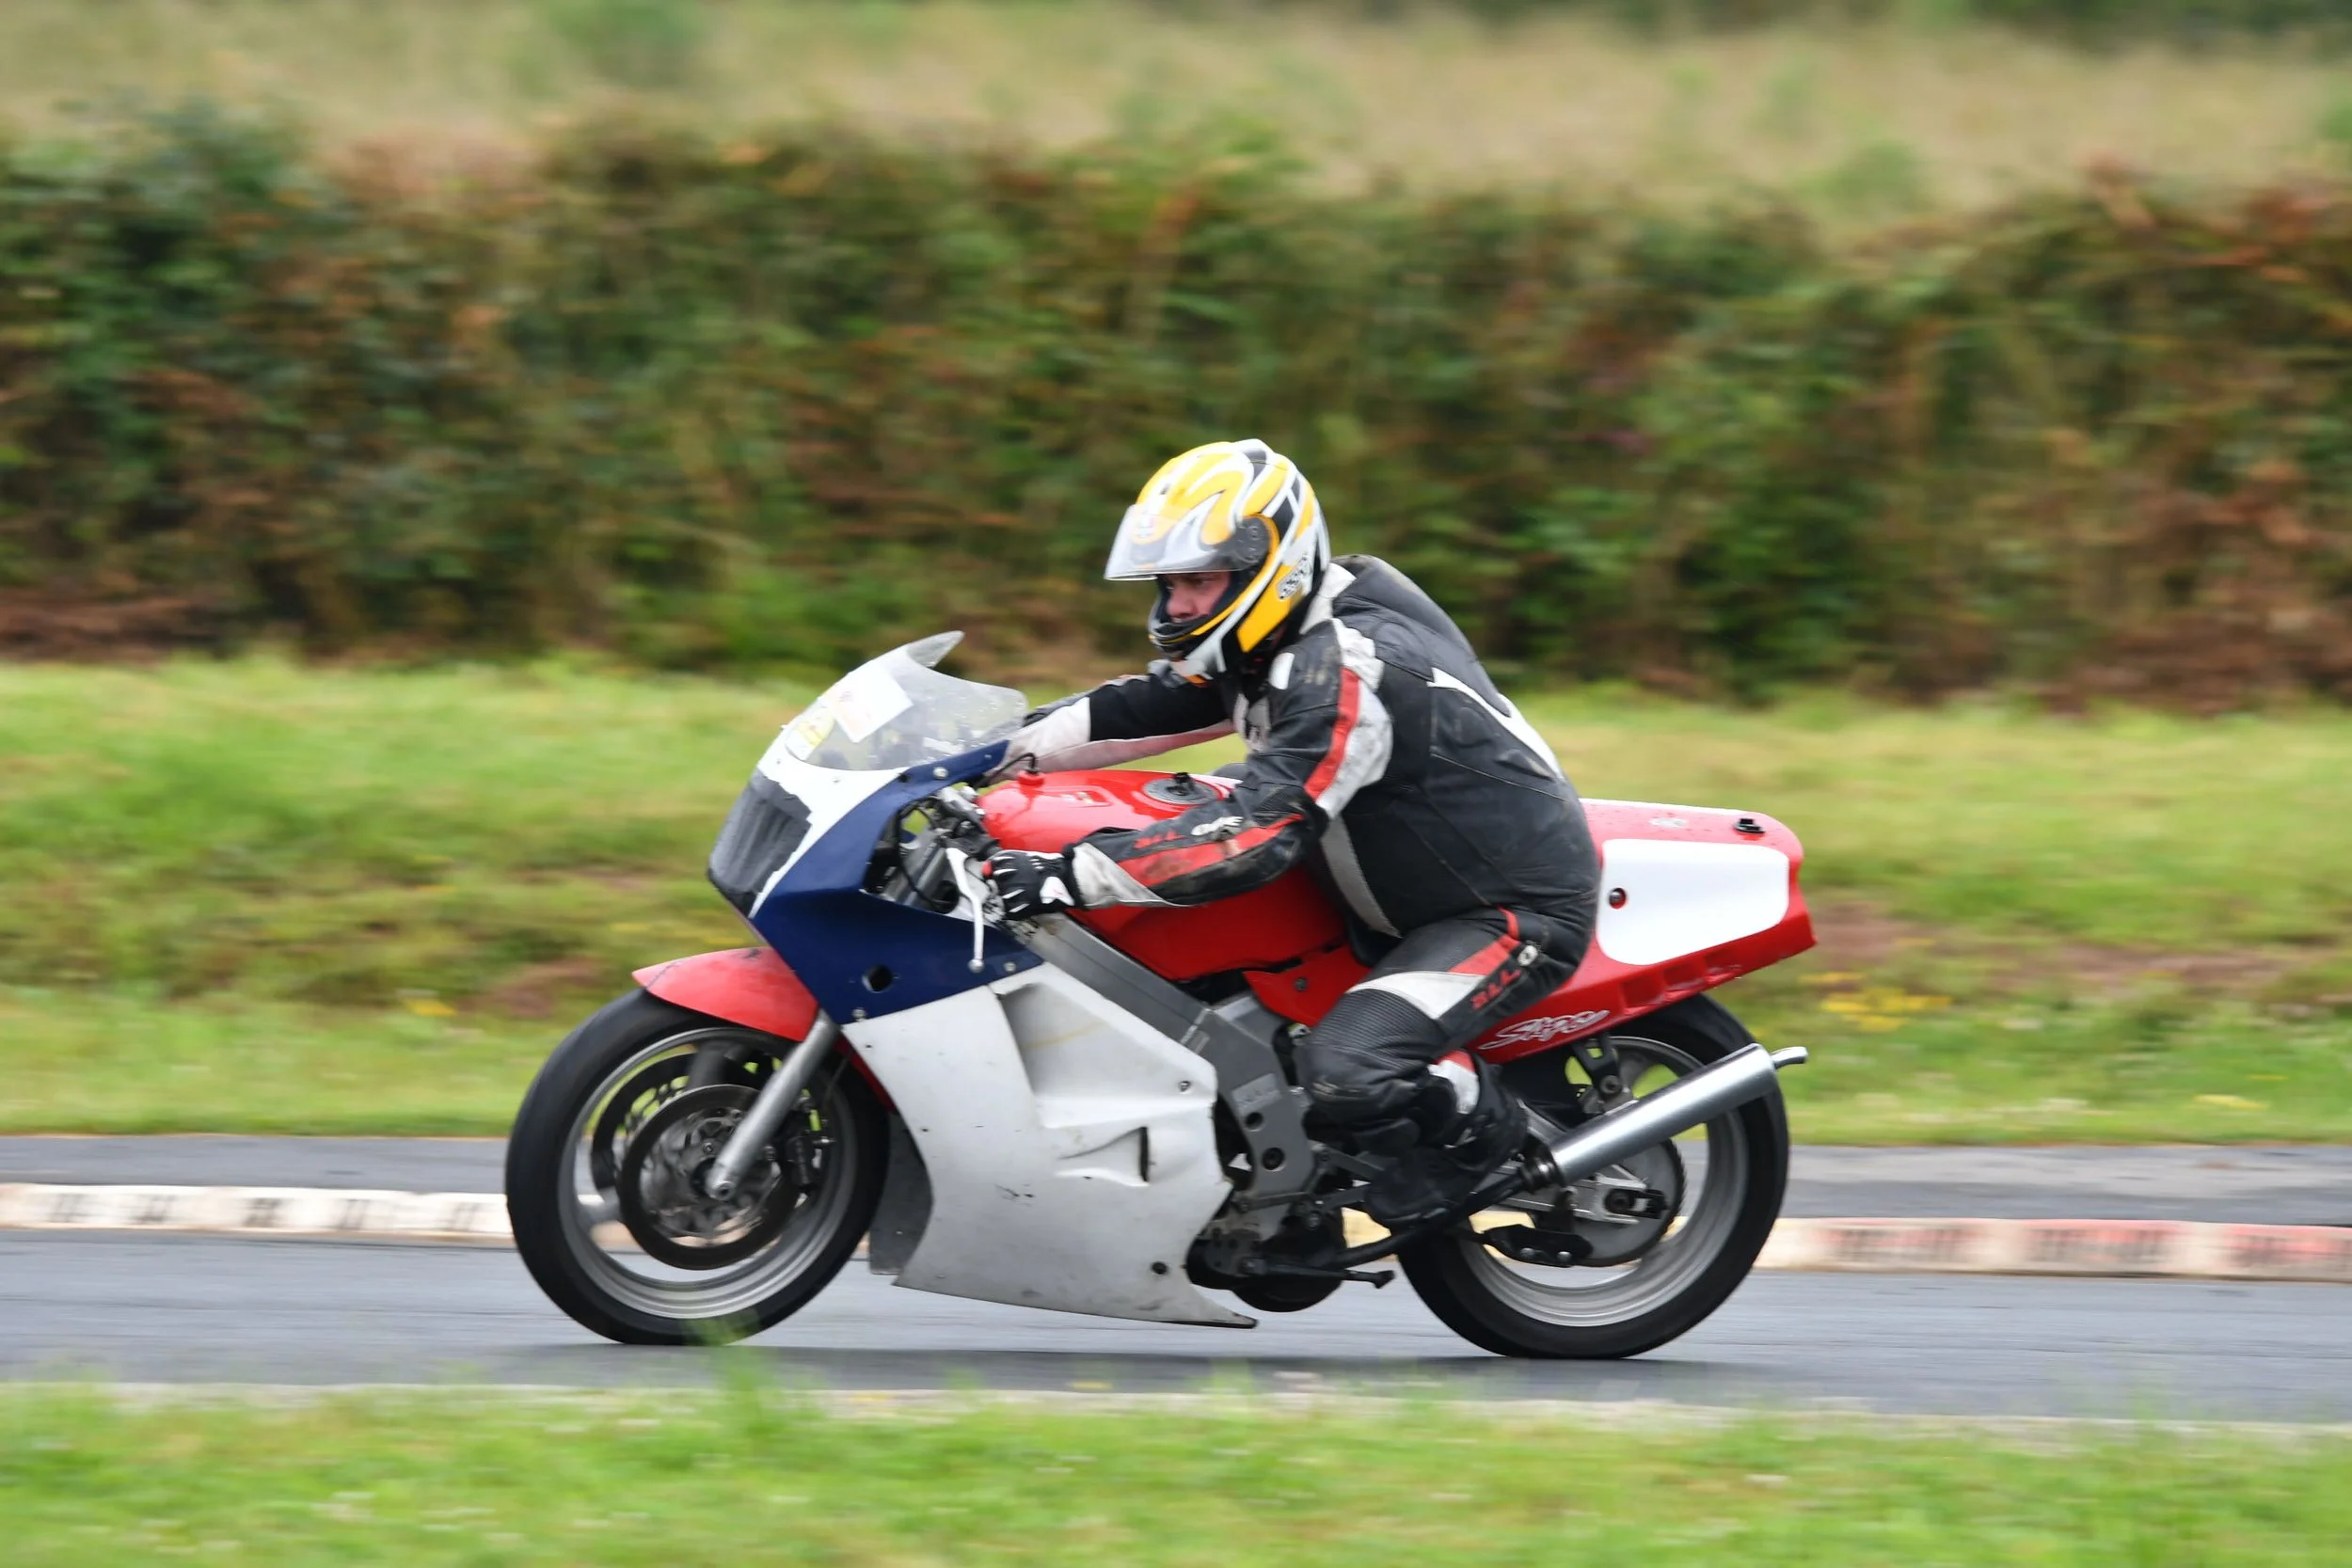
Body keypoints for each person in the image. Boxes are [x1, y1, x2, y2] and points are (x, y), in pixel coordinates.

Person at [983, 438, 1600, 1228]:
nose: (1178, 606)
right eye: (1172, 585)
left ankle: (1484, 1138)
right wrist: (970, 756)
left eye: (1199, 581)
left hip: (1502, 911)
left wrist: (1067, 873)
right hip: (1373, 875)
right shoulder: (1273, 638)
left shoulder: (1345, 666)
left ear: (1269, 566)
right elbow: (1132, 711)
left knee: (1345, 1069)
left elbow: (1256, 835)